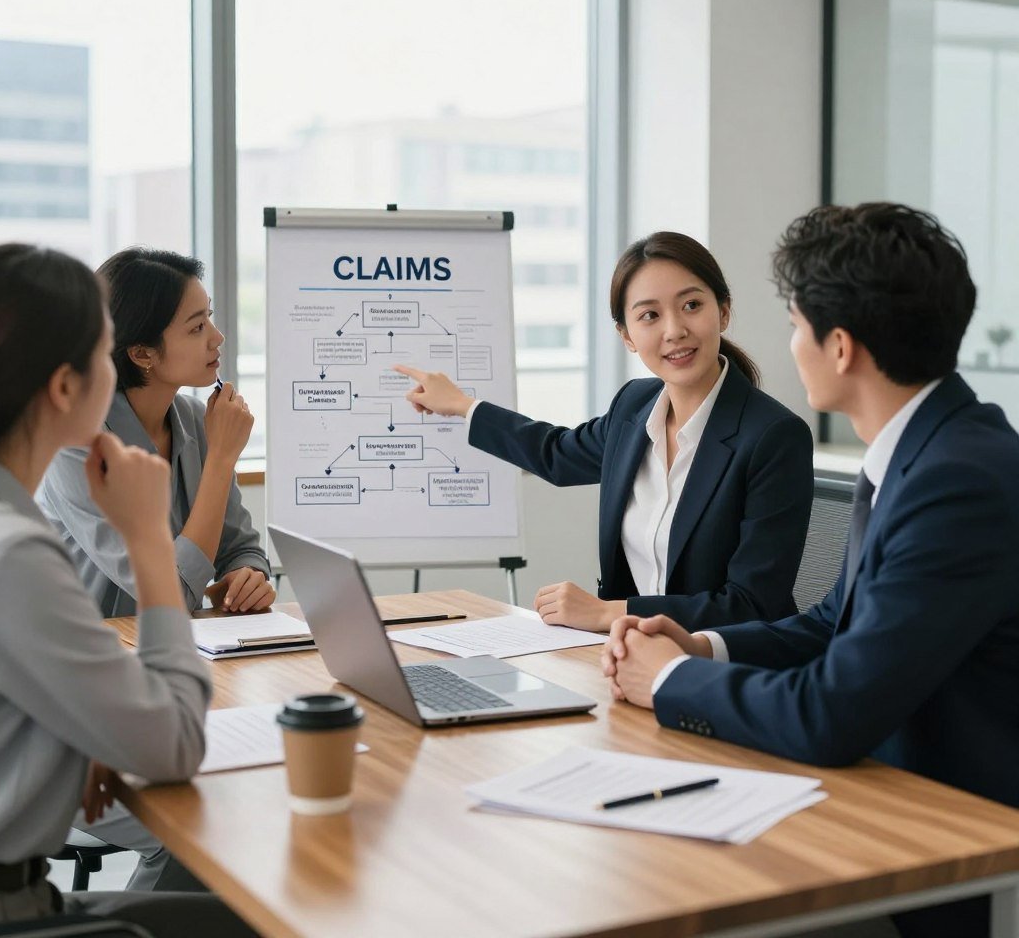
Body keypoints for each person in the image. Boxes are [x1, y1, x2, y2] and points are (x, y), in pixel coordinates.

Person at [602, 204, 1019, 938]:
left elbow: (831, 712)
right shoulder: (920, 449)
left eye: (796, 326)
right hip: (896, 810)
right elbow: (836, 622)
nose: (789, 346)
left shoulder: (960, 480)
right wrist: (703, 648)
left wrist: (666, 681)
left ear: (841, 347)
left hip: (956, 850)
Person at [0, 242, 256, 936]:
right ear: (63, 387)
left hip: (40, 849)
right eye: (103, 351)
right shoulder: (15, 552)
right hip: (12, 910)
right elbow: (173, 740)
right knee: (250, 893)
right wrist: (146, 538)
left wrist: (72, 733)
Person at [397, 231, 813, 634]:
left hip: (730, 671)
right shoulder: (633, 407)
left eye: (691, 305)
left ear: (722, 311)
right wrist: (463, 407)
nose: (673, 330)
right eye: (650, 315)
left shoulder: (773, 437)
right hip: (630, 660)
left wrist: (607, 613)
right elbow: (557, 454)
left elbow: (751, 605)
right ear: (627, 336)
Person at [39, 245, 274, 619]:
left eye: (209, 318)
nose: (217, 337)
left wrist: (247, 576)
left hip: (176, 649)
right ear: (142, 353)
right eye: (197, 327)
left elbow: (239, 547)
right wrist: (221, 459)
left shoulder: (199, 420)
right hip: (87, 659)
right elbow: (170, 595)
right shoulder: (75, 445)